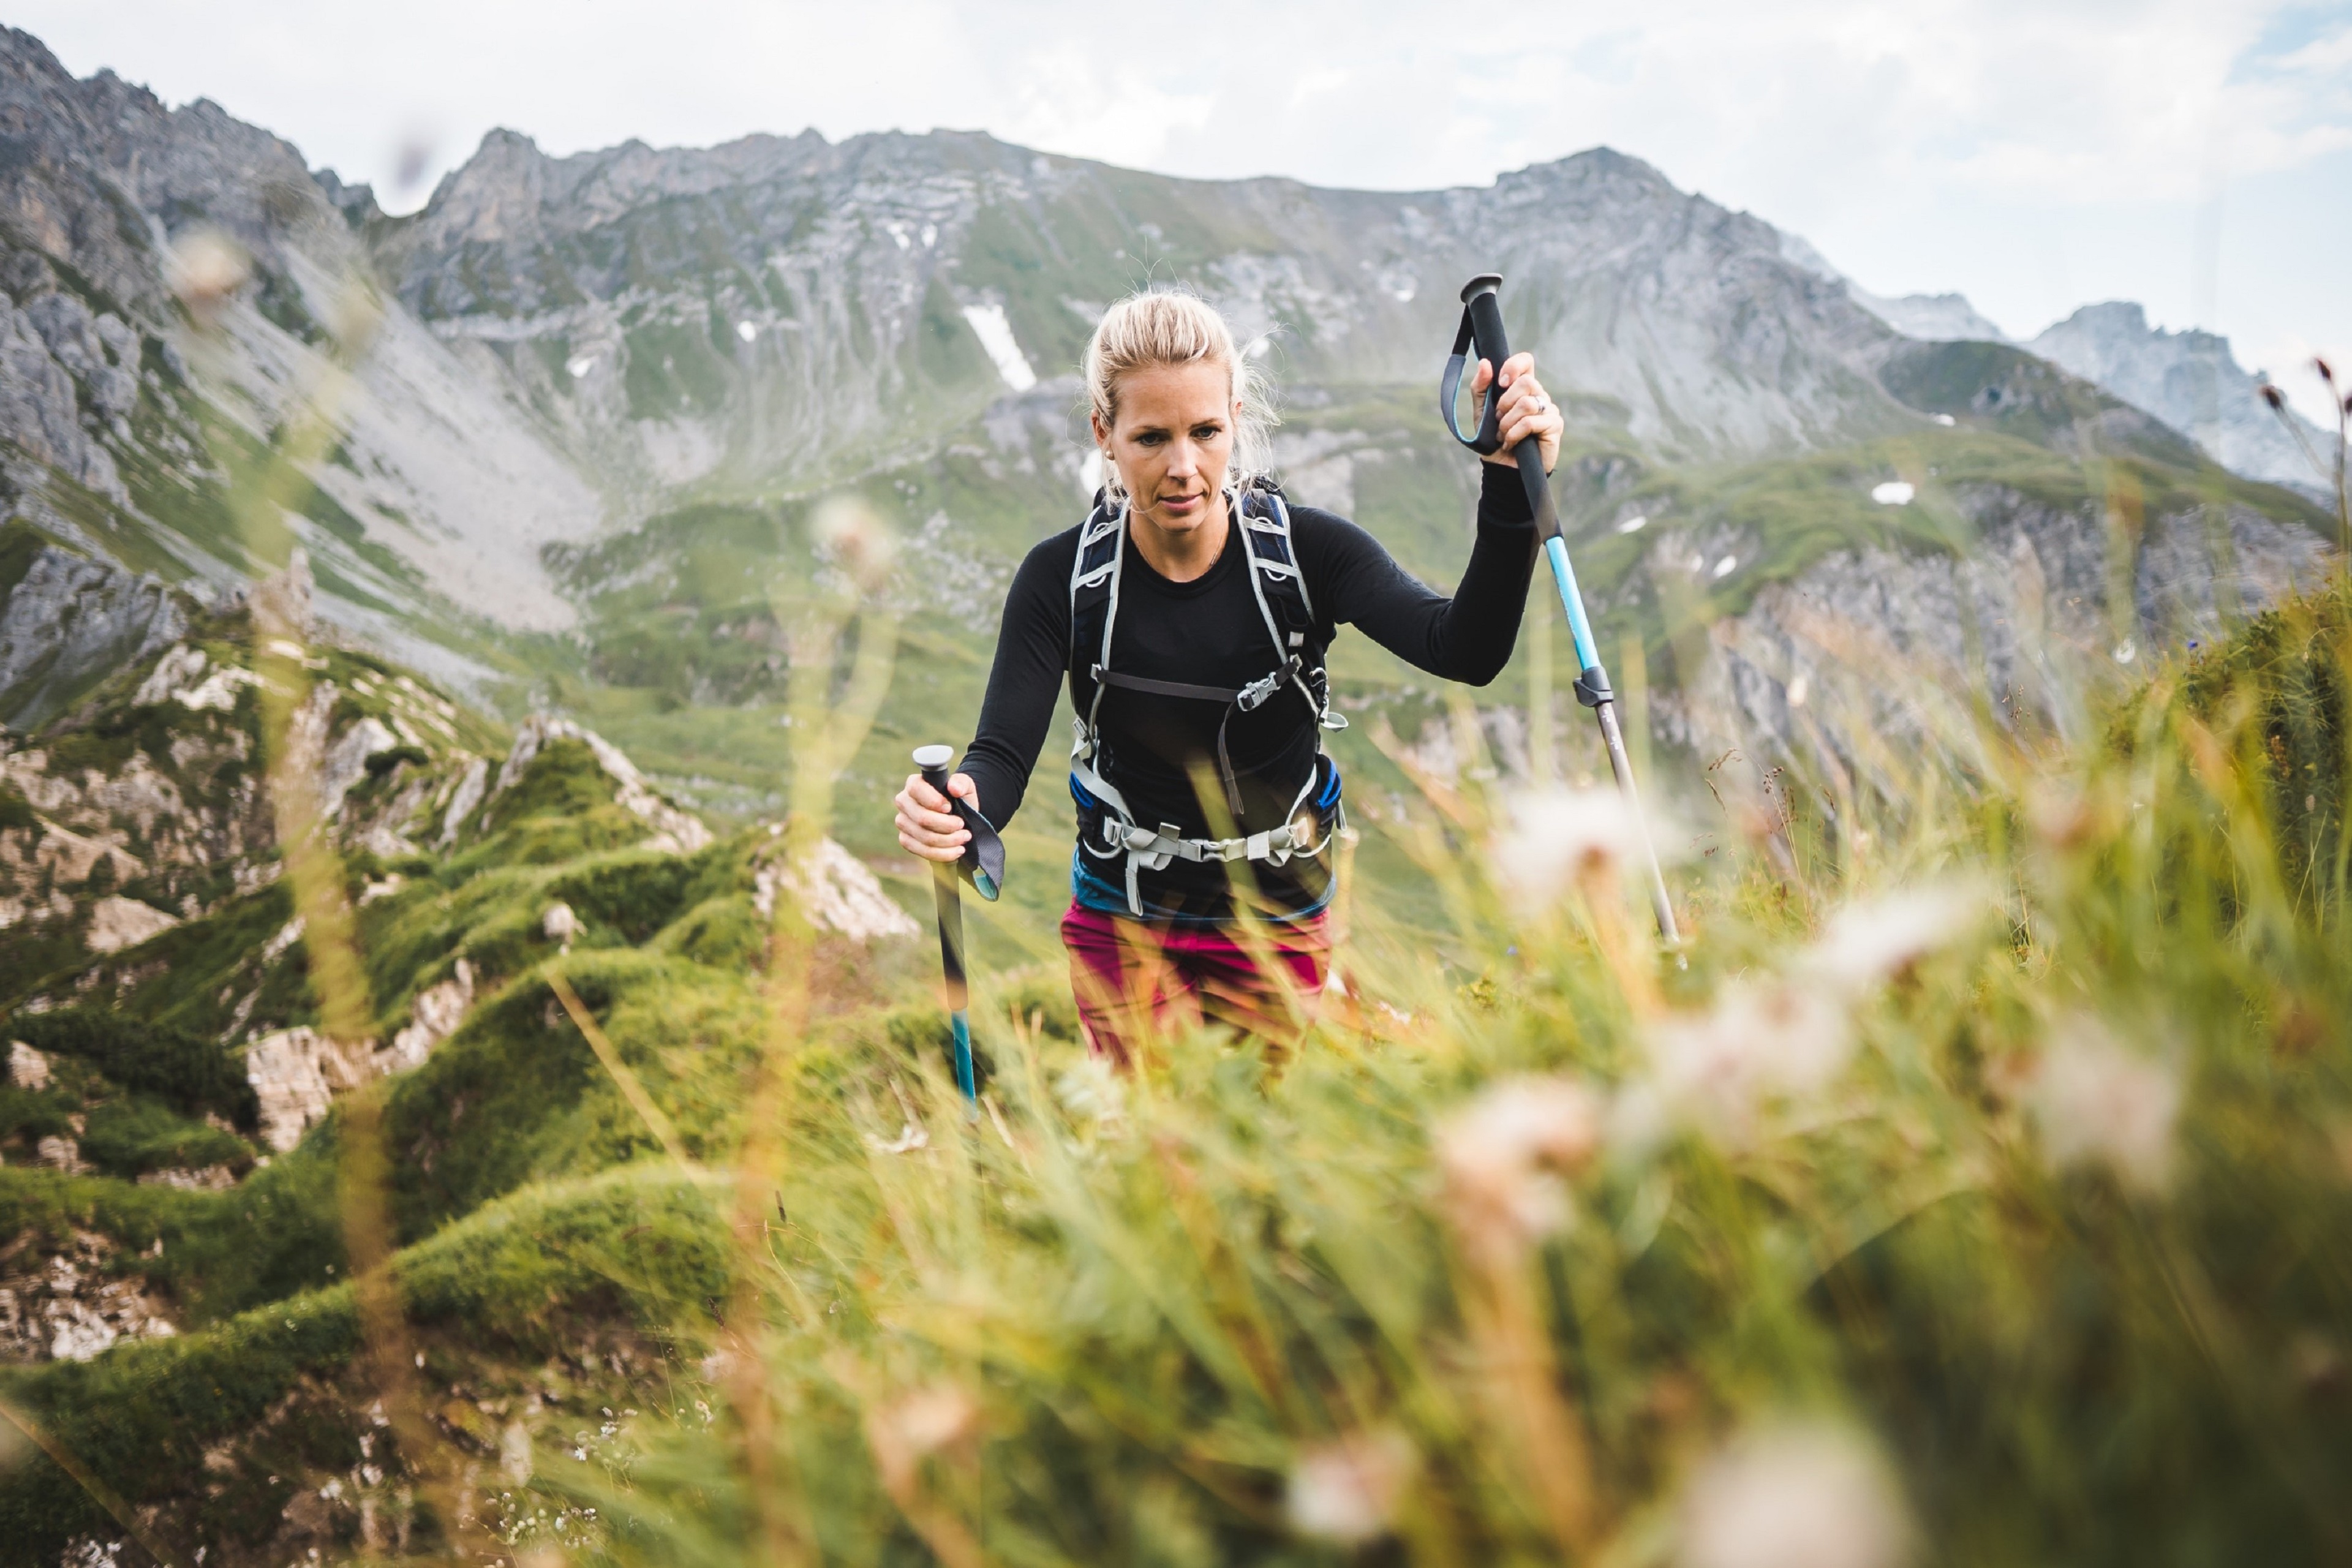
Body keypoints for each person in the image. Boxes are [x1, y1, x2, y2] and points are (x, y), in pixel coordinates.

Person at [894, 288, 1561, 1065]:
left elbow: (1465, 650)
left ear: (1235, 418)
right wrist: (961, 807)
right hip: (1125, 920)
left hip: (1280, 919)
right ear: (1103, 435)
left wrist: (1511, 482)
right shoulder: (1063, 579)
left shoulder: (1308, 555)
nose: (1183, 468)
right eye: (1151, 438)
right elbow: (1000, 760)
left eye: (1206, 431)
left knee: (1269, 1152)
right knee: (1164, 1156)